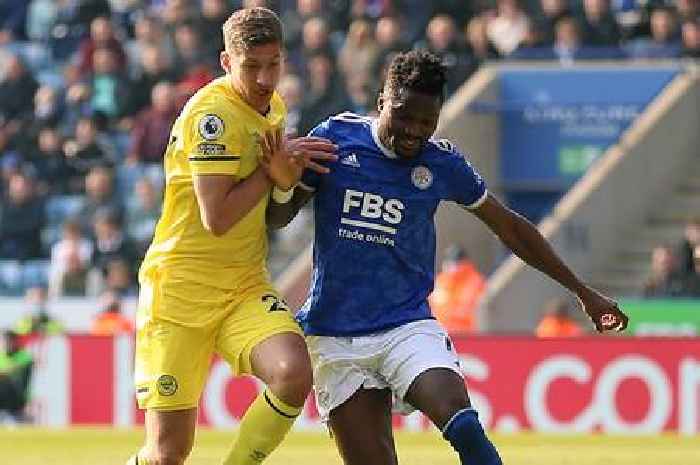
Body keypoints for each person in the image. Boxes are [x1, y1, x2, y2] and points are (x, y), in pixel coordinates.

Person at [267, 50, 629, 465]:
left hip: (405, 325)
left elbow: (510, 227)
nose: (413, 132)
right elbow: (279, 218)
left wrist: (582, 292)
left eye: (426, 122)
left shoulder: (440, 163)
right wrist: (281, 181)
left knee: (462, 421)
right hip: (335, 336)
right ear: (382, 100)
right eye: (404, 116)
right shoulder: (335, 139)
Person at [126, 7, 336, 465]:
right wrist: (270, 174)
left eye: (274, 63)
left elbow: (271, 215)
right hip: (179, 291)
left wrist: (288, 179)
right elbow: (216, 217)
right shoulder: (211, 117)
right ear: (226, 61)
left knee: (293, 373)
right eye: (251, 66)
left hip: (242, 284)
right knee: (167, 453)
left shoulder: (274, 108)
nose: (264, 77)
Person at [429, 245, 486, 334]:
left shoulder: (475, 282)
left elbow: (469, 312)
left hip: (466, 337)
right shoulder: (441, 281)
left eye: (455, 262)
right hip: (441, 336)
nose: (451, 266)